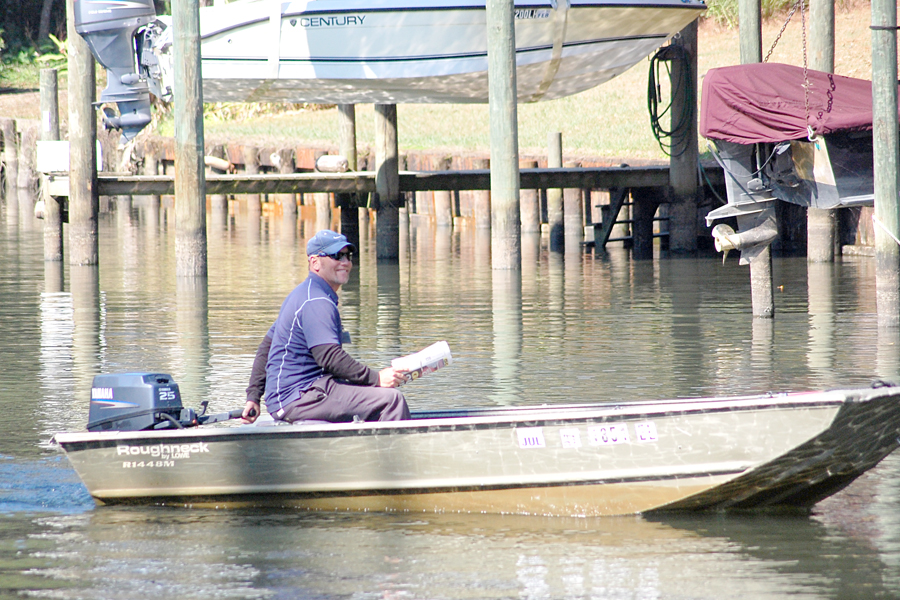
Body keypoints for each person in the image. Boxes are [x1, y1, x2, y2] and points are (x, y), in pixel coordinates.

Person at [241, 230, 409, 424]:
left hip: (299, 393)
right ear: (315, 262)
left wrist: (253, 397)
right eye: (337, 256)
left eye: (348, 256)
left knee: (374, 394)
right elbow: (329, 357)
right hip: (299, 398)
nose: (345, 262)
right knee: (391, 400)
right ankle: (394, 454)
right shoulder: (316, 301)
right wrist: (377, 378)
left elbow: (266, 348)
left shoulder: (304, 293)